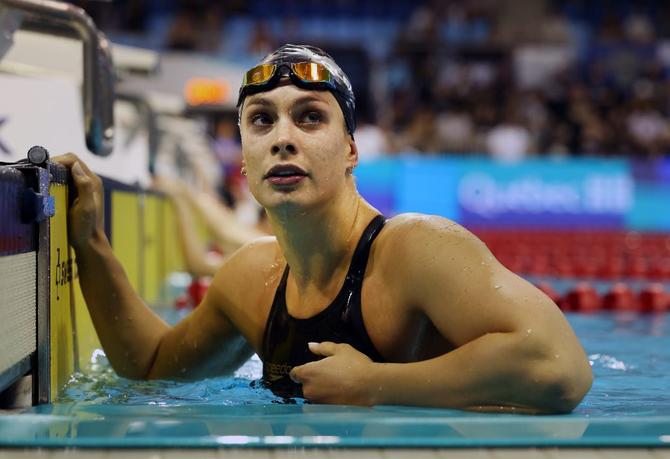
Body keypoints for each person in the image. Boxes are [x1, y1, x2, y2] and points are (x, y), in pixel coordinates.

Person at [55, 44, 592, 412]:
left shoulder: (416, 251)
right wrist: (91, 244)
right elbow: (152, 367)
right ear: (243, 160)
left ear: (352, 148)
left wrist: (378, 384)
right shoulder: (250, 281)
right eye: (261, 120)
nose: (282, 138)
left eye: (310, 117)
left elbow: (561, 366)